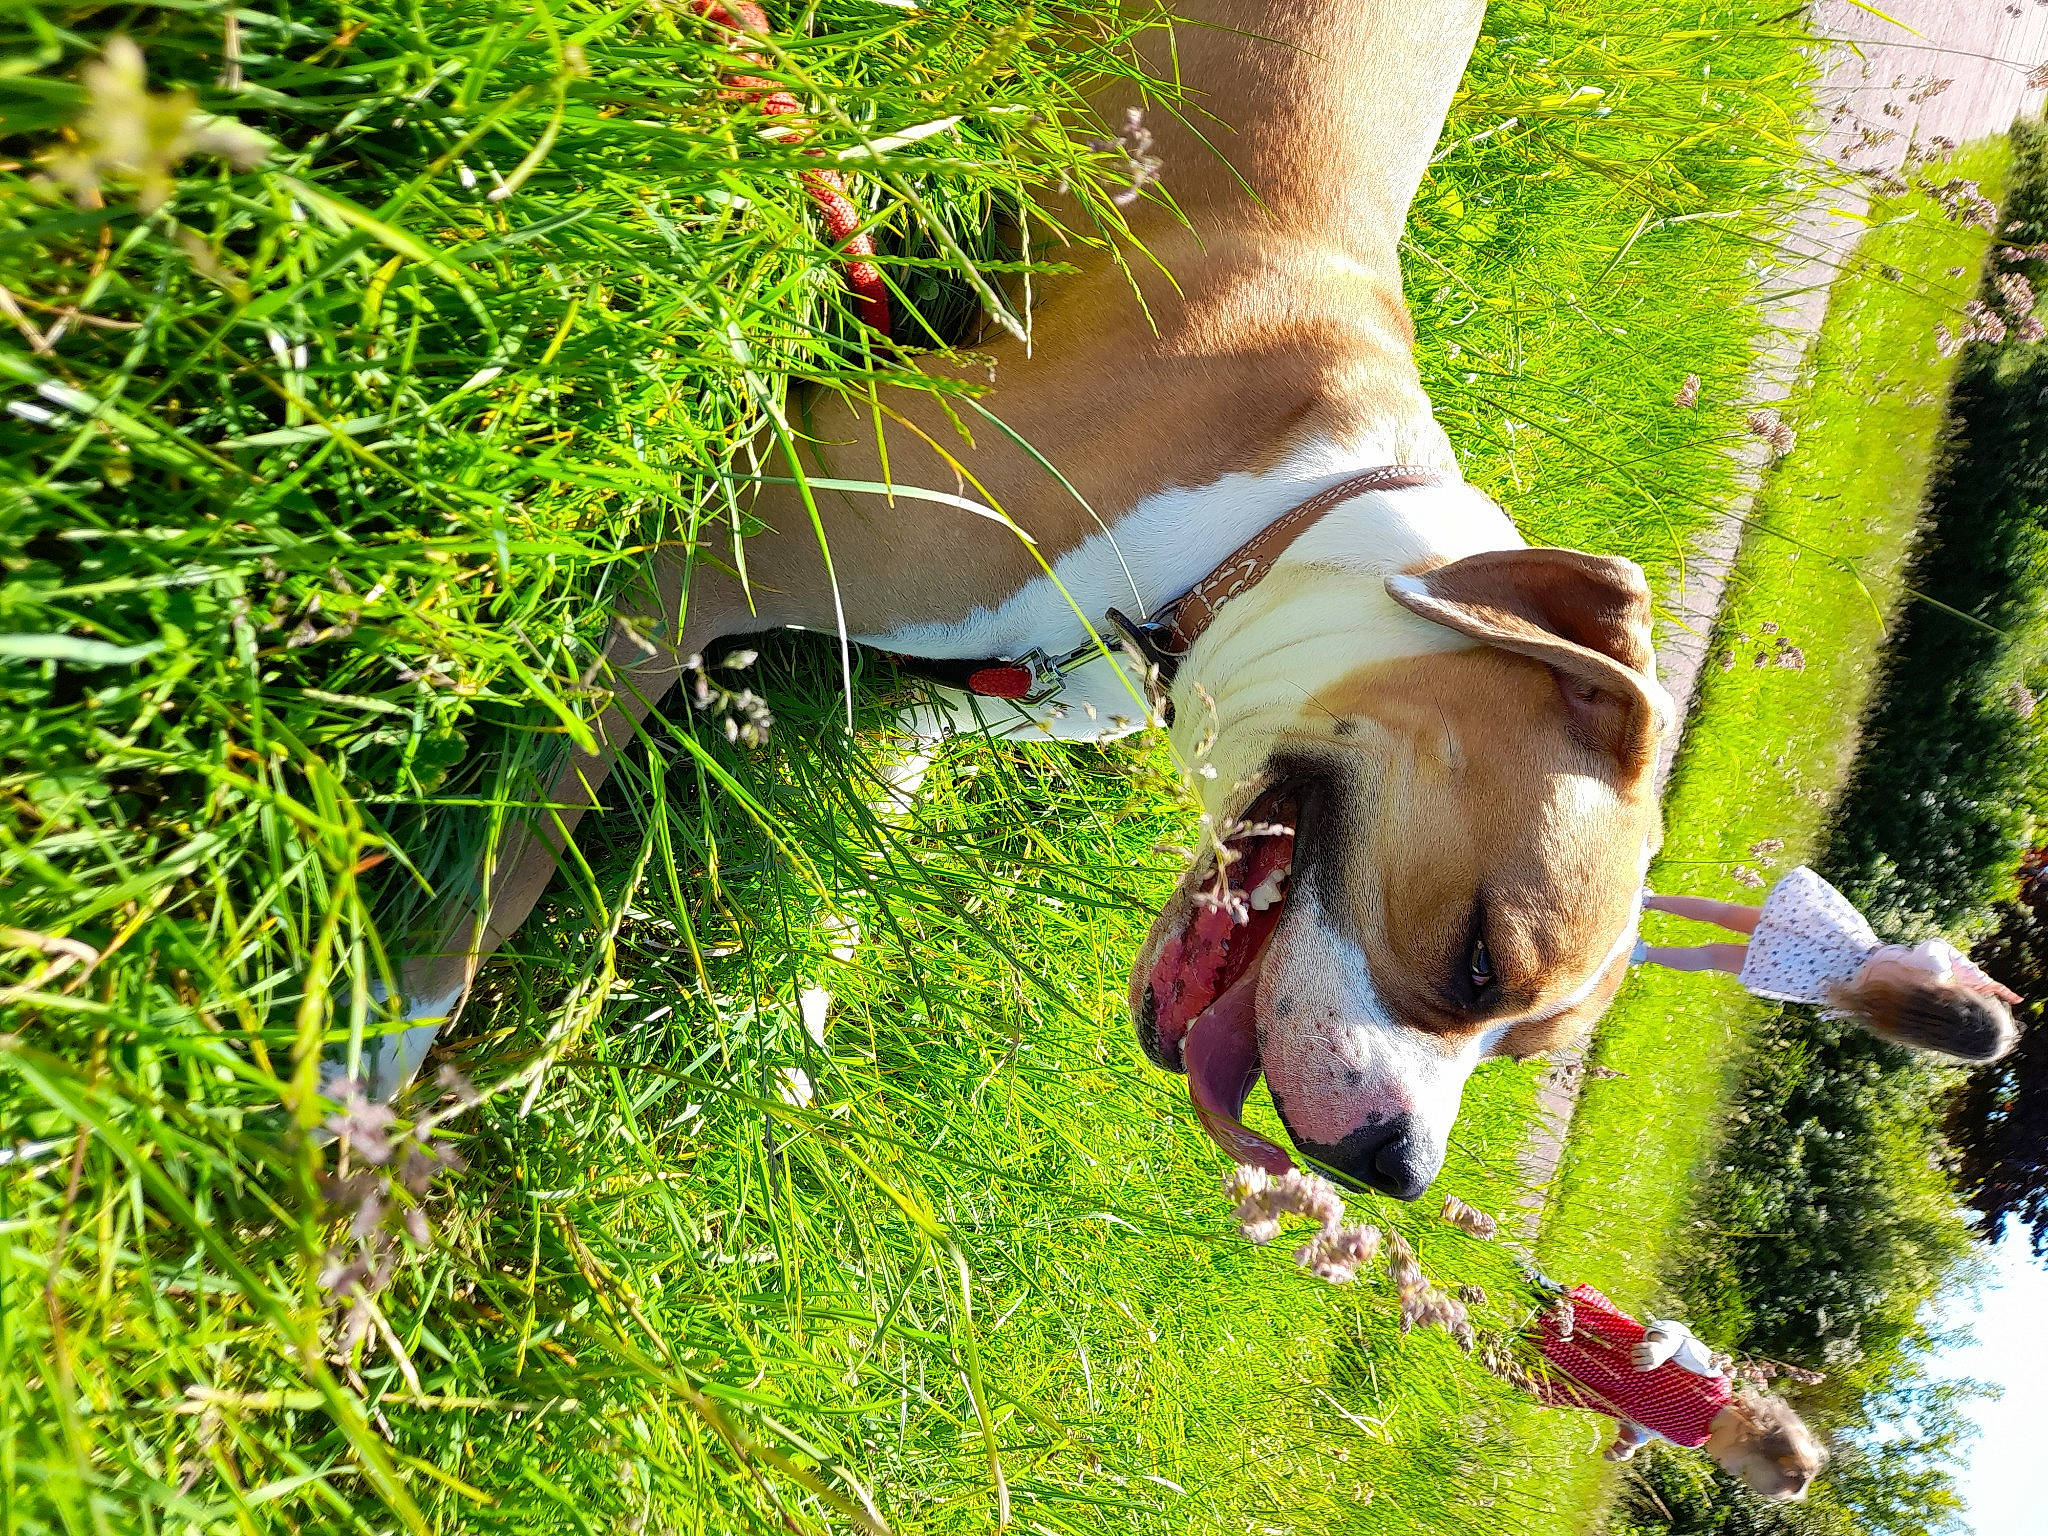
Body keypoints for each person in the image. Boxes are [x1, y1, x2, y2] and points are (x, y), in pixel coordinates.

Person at [1633, 866, 2020, 1063]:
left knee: (1727, 913)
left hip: (1825, 936)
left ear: (1972, 1001)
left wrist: (1978, 976)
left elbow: (1940, 945)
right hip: (1811, 977)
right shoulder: (1904, 1022)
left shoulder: (1934, 970)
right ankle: (1642, 953)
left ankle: (1649, 900)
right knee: (1714, 957)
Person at [1531, 1283, 1825, 1502]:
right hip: (1598, 1337)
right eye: (1745, 1471)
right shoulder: (1713, 1381)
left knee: (1520, 1351)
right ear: (1750, 1433)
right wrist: (1660, 1348)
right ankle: (1518, 1272)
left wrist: (1631, 1440)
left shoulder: (1689, 1439)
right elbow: (1677, 1334)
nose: (1732, 1474)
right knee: (1539, 1297)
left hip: (1582, 1381)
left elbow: (1648, 1426)